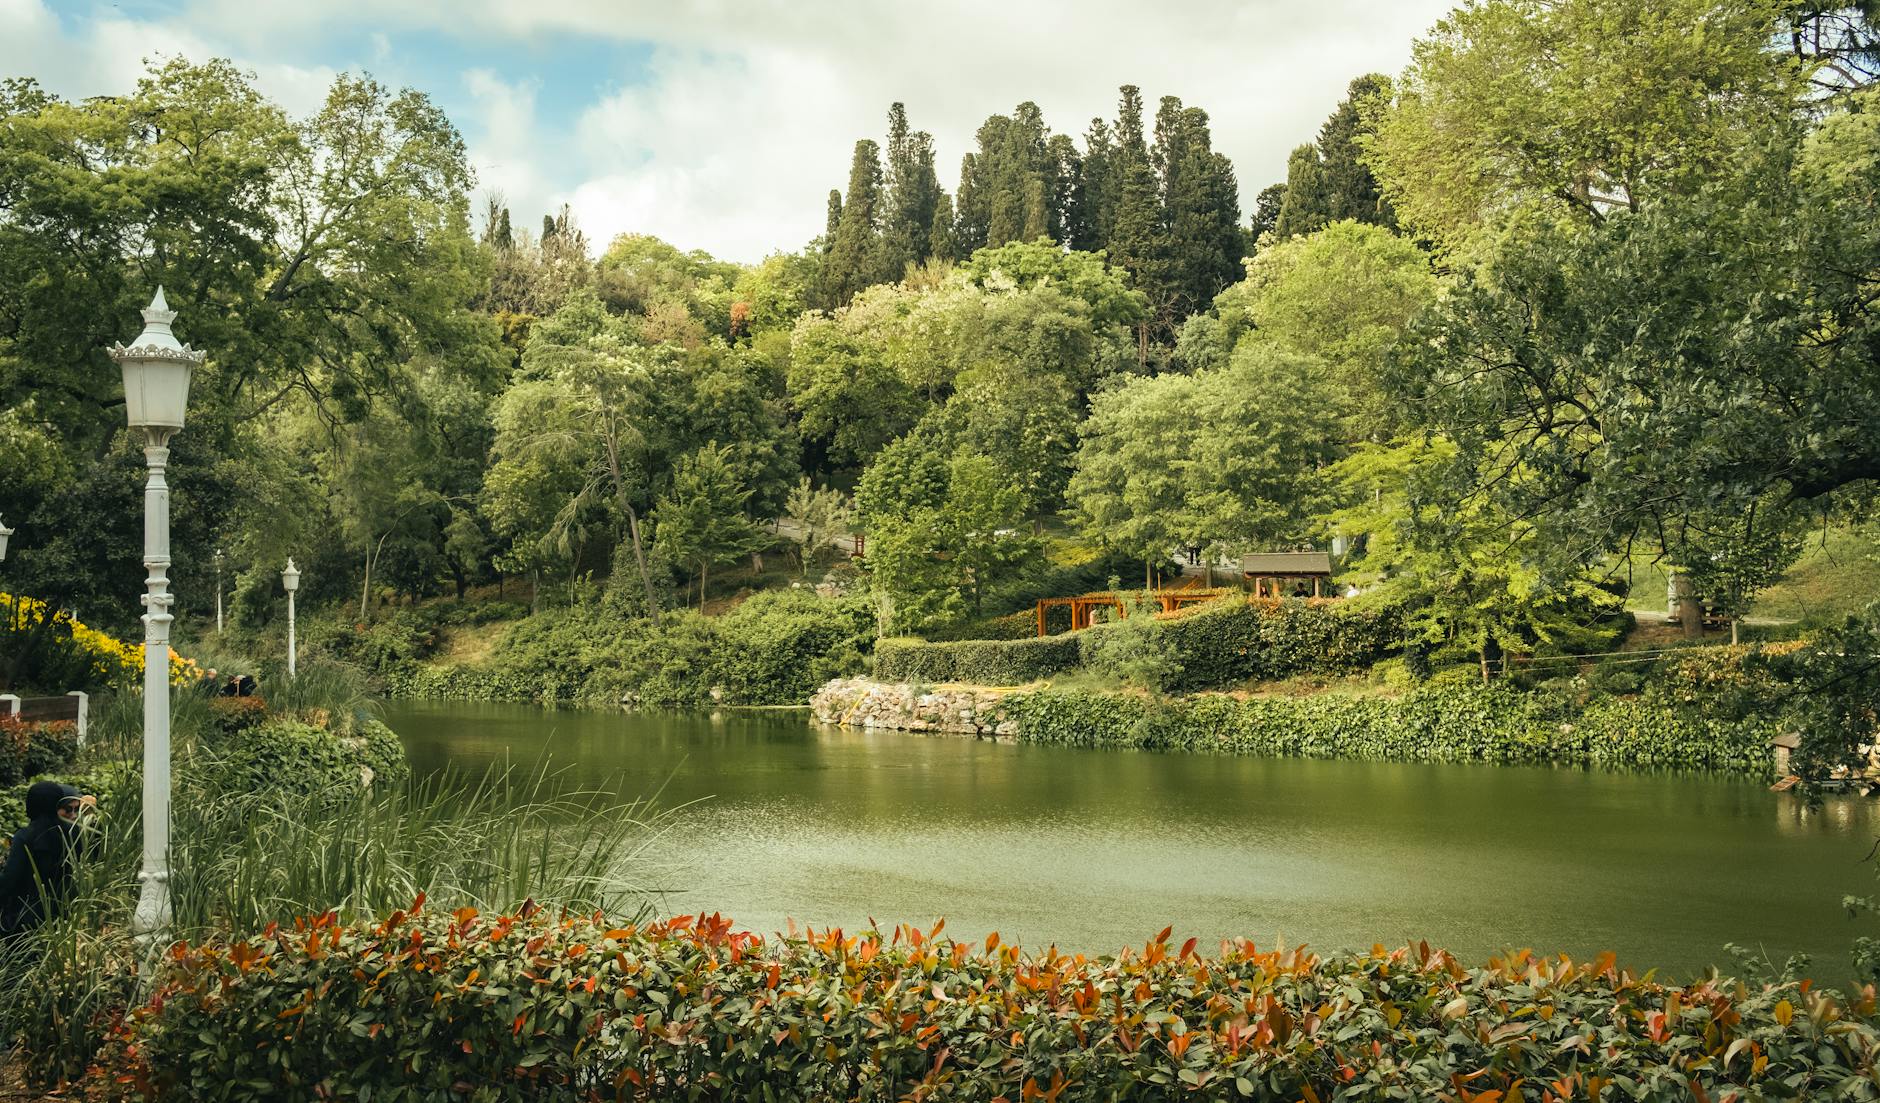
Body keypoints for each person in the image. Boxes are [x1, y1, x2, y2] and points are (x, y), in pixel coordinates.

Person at [0, 782, 95, 941]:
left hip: (24, 919)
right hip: (61, 914)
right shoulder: (72, 833)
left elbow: (10, 879)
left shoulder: (25, 836)